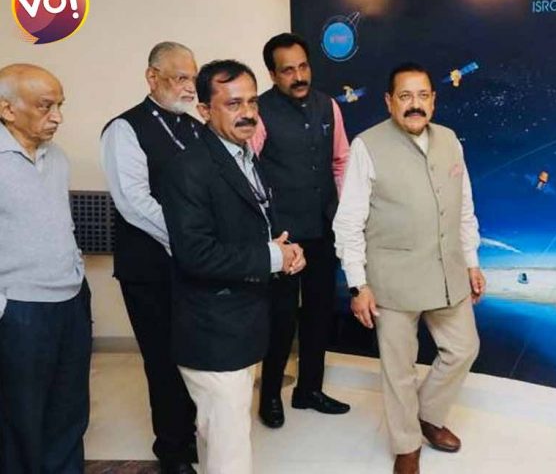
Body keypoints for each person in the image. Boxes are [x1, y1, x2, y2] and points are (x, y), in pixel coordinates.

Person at [333, 62, 485, 474]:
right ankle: (406, 444)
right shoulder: (367, 146)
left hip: (447, 270)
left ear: (433, 100)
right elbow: (348, 222)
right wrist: (358, 284)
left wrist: (472, 261)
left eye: (422, 96)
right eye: (405, 96)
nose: (414, 105)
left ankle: (428, 416)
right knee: (399, 369)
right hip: (392, 279)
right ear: (389, 101)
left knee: (464, 348)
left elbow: (464, 208)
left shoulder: (450, 140)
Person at [160, 59, 305, 474]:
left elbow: (251, 224)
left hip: (241, 323)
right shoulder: (189, 167)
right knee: (230, 453)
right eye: (233, 103)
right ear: (204, 110)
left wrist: (286, 251)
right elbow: (196, 254)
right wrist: (272, 257)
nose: (247, 113)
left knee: (222, 441)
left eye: (252, 102)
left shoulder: (244, 155)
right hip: (212, 331)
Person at [100, 41, 200, 473]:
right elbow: (134, 202)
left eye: (193, 78)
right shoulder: (125, 129)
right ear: (152, 77)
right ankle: (172, 450)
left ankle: (191, 434)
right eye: (180, 78)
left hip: (193, 266)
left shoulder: (195, 127)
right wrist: (187, 240)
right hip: (149, 269)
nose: (189, 87)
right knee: (163, 361)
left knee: (193, 355)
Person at [0, 64, 92, 473]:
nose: (57, 117)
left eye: (60, 105)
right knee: (20, 417)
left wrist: (76, 271)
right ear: (7, 109)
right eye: (45, 106)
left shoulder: (57, 158)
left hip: (70, 300)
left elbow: (60, 223)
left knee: (69, 410)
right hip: (20, 309)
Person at [255, 32, 350, 428]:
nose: (298, 76)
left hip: (322, 228)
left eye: (303, 67)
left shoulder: (329, 105)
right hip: (282, 236)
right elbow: (248, 170)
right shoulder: (259, 111)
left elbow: (341, 161)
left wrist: (341, 213)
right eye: (288, 70)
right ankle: (269, 396)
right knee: (280, 319)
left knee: (318, 313)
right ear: (273, 75)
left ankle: (309, 390)